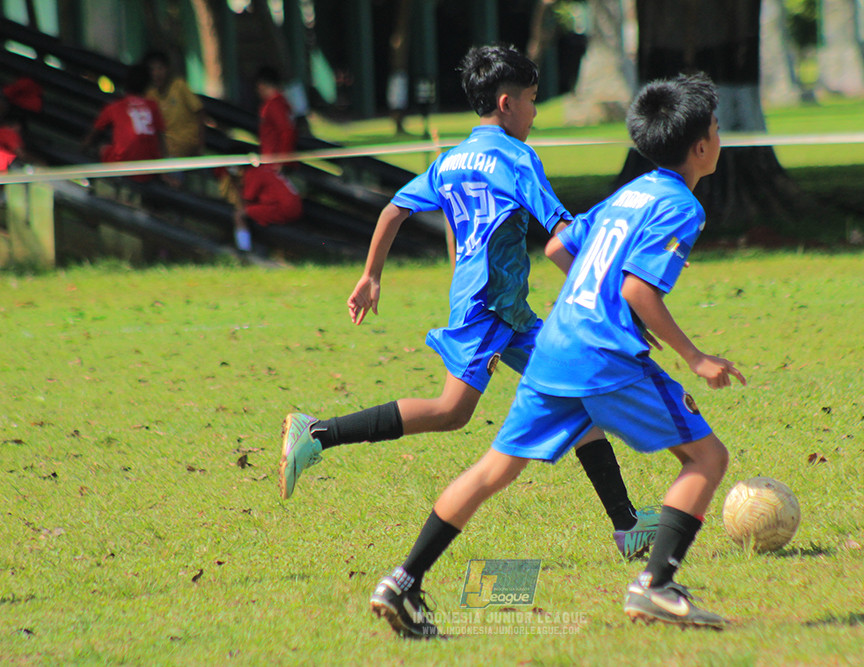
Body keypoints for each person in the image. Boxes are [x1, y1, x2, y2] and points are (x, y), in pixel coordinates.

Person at [369, 72, 746, 639]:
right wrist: (695, 357)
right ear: (700, 146)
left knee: (493, 470)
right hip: (603, 358)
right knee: (707, 459)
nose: (719, 136)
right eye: (717, 128)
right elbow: (638, 292)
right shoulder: (681, 207)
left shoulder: (631, 191)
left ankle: (402, 580)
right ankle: (657, 586)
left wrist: (598, 288)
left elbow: (557, 246)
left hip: (554, 348)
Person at [278, 45, 657, 561]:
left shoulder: (451, 159)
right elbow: (562, 236)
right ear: (506, 103)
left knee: (577, 399)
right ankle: (317, 432)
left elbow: (393, 210)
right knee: (451, 411)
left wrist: (371, 276)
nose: (535, 112)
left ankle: (628, 525)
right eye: (532, 101)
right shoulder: (518, 158)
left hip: (505, 307)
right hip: (487, 307)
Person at [81, 64, 167, 183]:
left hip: (123, 166)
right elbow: (161, 138)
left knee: (103, 147)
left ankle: (99, 182)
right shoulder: (152, 106)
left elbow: (93, 134)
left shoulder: (114, 107)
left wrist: (81, 150)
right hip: (149, 168)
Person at [143, 51, 206, 159]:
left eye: (160, 68)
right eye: (152, 70)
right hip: (167, 154)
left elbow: (199, 111)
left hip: (189, 150)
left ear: (167, 69)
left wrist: (200, 145)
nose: (156, 73)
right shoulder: (150, 95)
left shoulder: (180, 86)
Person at [229, 164, 303, 253]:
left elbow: (246, 199)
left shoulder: (253, 173)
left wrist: (236, 183)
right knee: (253, 210)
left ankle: (243, 250)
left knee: (239, 215)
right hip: (296, 206)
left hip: (282, 208)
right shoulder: (266, 169)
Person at [254, 66, 296, 162]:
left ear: (261, 85)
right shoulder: (281, 103)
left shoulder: (274, 105)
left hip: (275, 161)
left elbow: (286, 132)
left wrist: (282, 159)